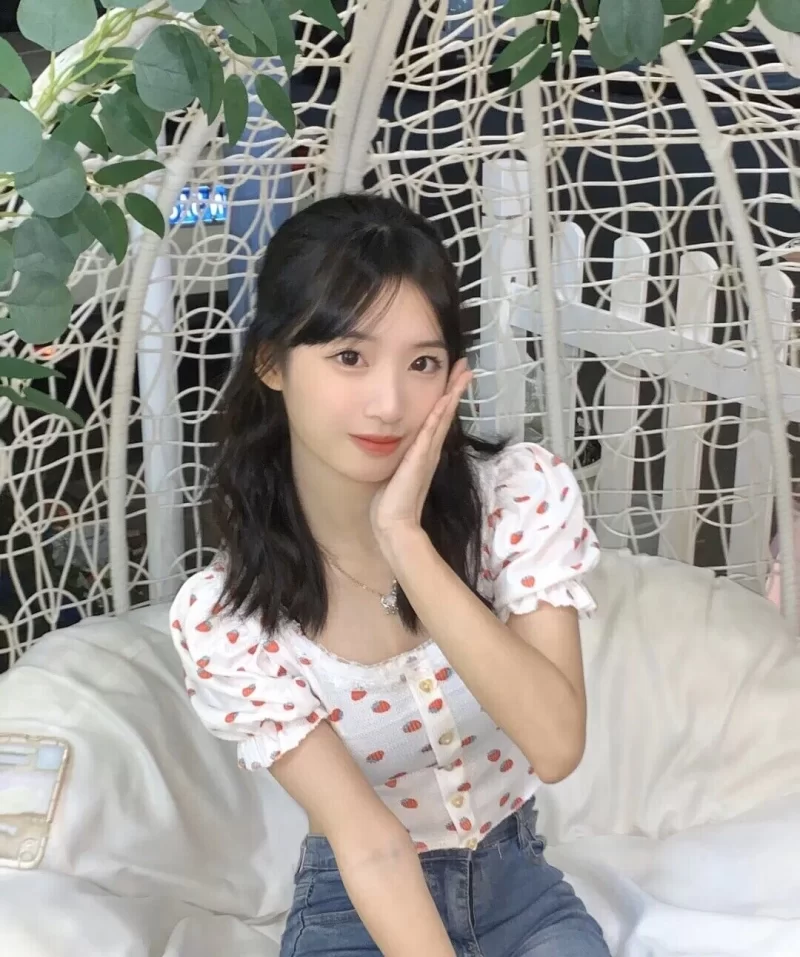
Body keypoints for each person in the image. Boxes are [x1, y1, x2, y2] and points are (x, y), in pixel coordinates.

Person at [169, 193, 610, 957]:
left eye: (423, 363)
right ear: (271, 361)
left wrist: (406, 541)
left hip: (520, 893)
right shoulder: (228, 618)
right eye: (350, 357)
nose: (389, 402)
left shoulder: (517, 497)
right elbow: (370, 847)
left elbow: (556, 743)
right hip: (356, 908)